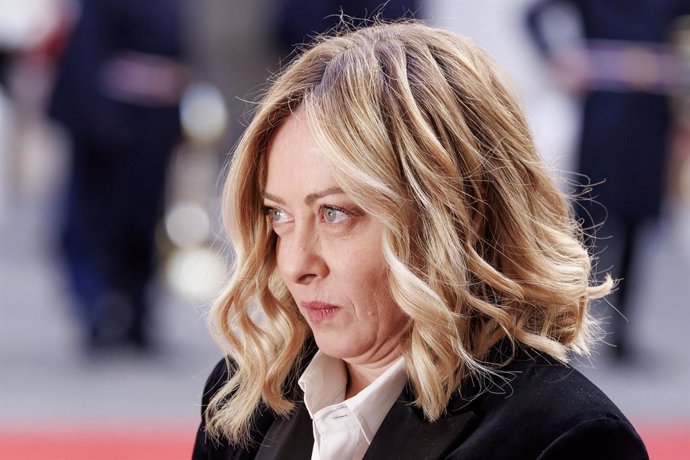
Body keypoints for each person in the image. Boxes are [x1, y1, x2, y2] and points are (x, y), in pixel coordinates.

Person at [192, 21, 648, 459]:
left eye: (334, 214)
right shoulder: (244, 398)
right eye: (279, 214)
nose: (295, 264)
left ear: (453, 217)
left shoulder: (565, 438)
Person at [524, 0, 690, 360]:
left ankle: (622, 335)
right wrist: (558, 60)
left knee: (638, 225)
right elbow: (535, 15)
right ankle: (568, 324)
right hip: (604, 120)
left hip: (651, 121)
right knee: (587, 225)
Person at [48, 0, 186, 352]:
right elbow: (87, 56)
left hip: (150, 126)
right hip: (107, 125)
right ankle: (99, 312)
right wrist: (101, 122)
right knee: (94, 225)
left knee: (143, 224)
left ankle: (137, 313)